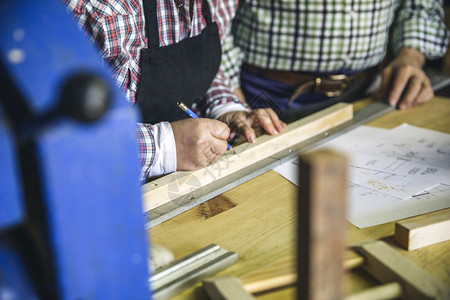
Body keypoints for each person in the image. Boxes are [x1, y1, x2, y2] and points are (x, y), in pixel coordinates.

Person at [63, 0, 287, 181]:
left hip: (179, 185)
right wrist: (166, 148)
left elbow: (195, 66)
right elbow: (62, 139)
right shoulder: (86, 6)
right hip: (97, 190)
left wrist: (224, 108)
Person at [222, 0, 450, 121]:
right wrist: (231, 97)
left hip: (366, 93)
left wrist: (410, 55)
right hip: (260, 96)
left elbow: (422, 5)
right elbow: (212, 21)